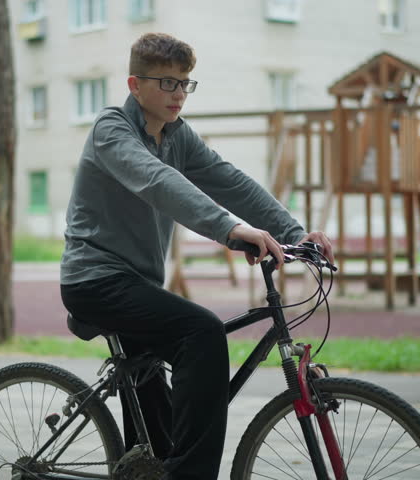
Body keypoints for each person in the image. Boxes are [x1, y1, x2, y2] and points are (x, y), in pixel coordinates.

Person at [60, 32, 334, 480]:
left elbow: (230, 181)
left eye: (185, 83)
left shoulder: (177, 137)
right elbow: (158, 182)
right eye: (167, 83)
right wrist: (230, 229)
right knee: (202, 332)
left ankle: (152, 465)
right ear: (135, 85)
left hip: (138, 286)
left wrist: (296, 234)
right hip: (94, 281)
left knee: (156, 423)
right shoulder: (112, 130)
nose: (179, 94)